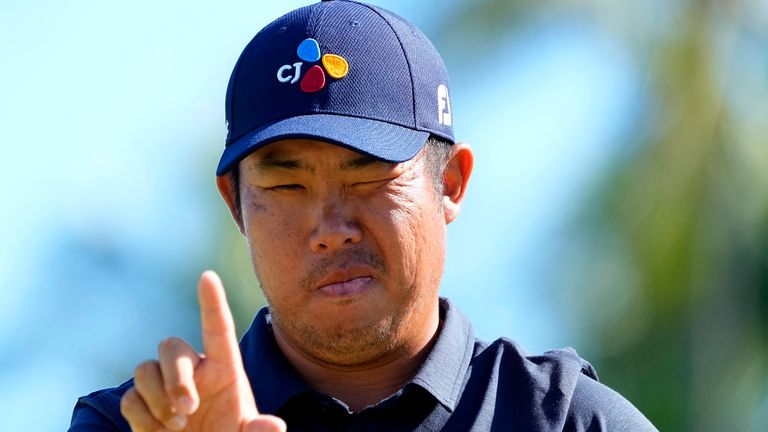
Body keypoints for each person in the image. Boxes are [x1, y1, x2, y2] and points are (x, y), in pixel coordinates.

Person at [69, 1, 657, 430]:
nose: (331, 229)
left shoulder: (566, 423)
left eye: (369, 174)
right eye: (288, 183)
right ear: (236, 205)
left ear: (450, 183)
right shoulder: (141, 427)